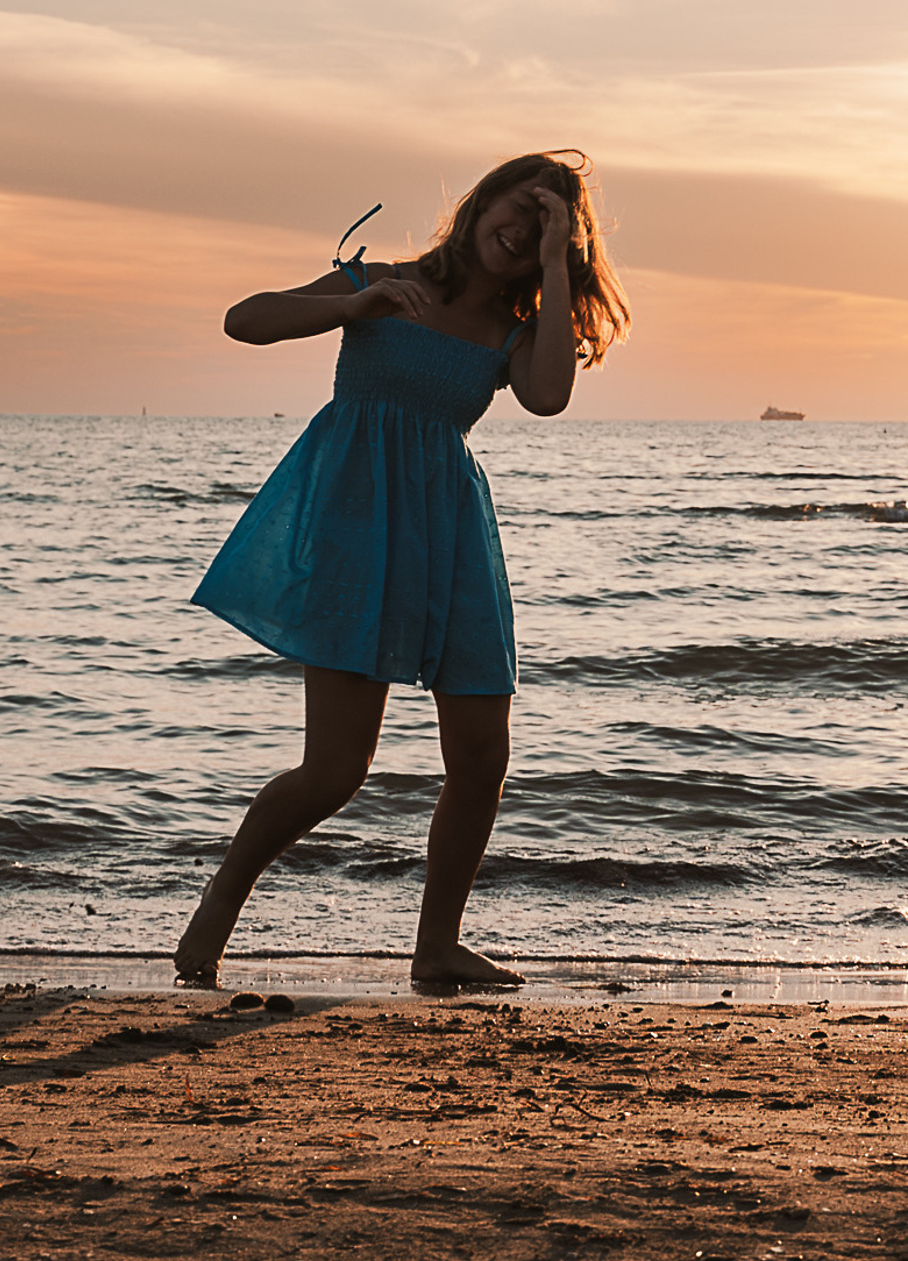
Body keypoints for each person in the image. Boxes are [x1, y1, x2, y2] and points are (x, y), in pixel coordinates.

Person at [174, 153, 628, 991]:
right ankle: (220, 903)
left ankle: (437, 947)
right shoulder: (383, 280)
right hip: (356, 533)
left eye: (548, 225)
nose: (524, 229)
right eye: (519, 206)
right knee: (336, 770)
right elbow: (246, 320)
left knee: (482, 758)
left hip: (452, 537)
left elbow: (550, 396)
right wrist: (353, 302)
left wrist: (562, 257)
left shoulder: (516, 329)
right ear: (480, 202)